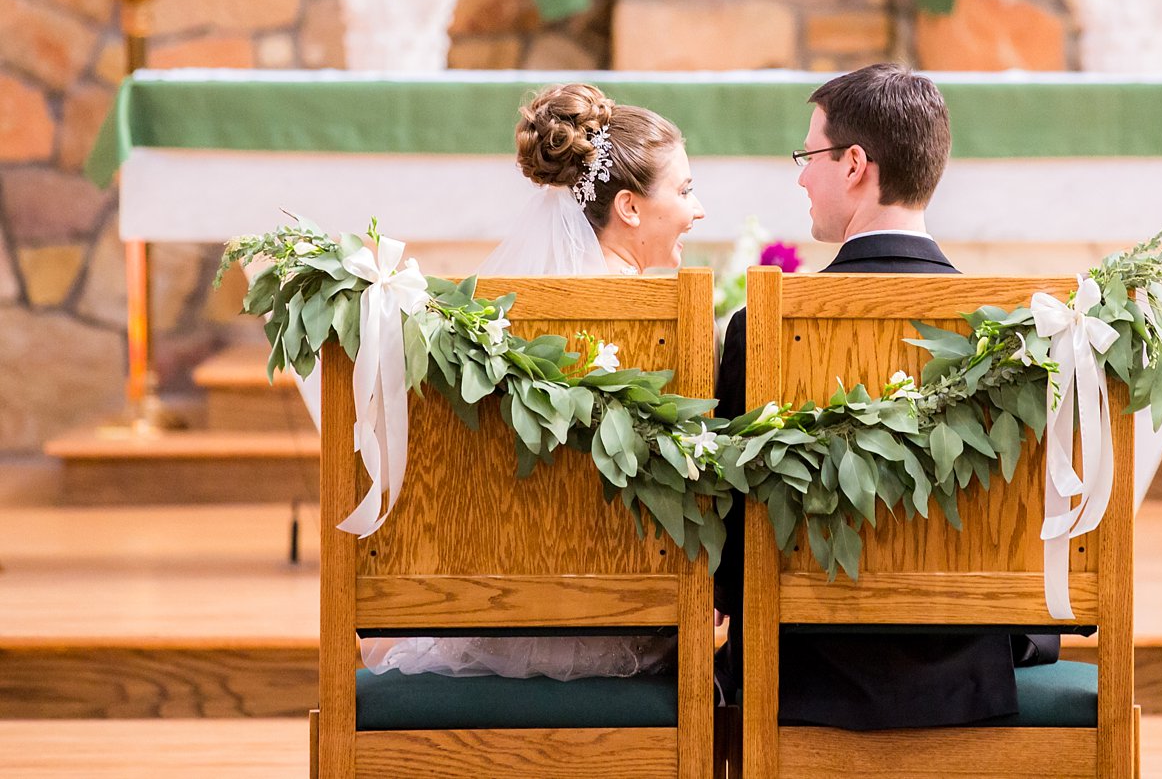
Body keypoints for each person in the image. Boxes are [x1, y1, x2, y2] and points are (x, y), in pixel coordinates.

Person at [714, 63, 1060, 730]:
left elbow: (731, 542)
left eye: (809, 154)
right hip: (966, 672)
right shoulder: (1016, 330)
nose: (801, 176)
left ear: (852, 164)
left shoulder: (761, 326)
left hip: (800, 672)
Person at [363, 82, 711, 680]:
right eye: (684, 190)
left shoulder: (492, 322)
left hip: (500, 611)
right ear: (628, 208)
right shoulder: (662, 325)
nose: (697, 209)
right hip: (624, 621)